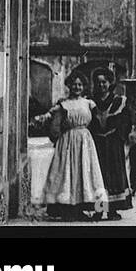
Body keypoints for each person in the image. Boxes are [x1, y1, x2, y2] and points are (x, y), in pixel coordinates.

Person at [34, 73, 109, 221]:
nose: (77, 87)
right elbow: (54, 124)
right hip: (67, 141)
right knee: (67, 174)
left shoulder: (89, 104)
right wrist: (57, 138)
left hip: (85, 142)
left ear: (84, 87)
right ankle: (68, 210)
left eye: (80, 84)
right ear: (69, 85)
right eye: (74, 84)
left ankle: (97, 209)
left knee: (88, 174)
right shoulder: (63, 104)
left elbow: (97, 123)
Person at [89, 68, 133, 220]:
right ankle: (99, 210)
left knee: (115, 176)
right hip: (97, 144)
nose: (101, 85)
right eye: (98, 82)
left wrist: (119, 137)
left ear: (110, 83)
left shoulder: (119, 101)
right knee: (98, 176)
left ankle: (113, 210)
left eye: (104, 82)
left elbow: (127, 122)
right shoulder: (90, 102)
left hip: (113, 144)